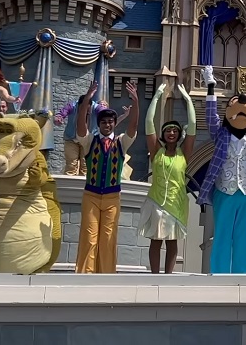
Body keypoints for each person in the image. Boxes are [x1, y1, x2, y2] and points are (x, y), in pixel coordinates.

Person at [197, 65, 246, 274]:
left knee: (244, 237)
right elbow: (210, 117)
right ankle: (220, 274)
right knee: (222, 235)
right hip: (225, 191)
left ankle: (243, 276)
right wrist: (210, 88)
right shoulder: (221, 134)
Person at [74, 79, 139, 273]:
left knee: (109, 239)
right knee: (89, 237)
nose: (108, 124)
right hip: (91, 196)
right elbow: (80, 126)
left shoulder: (121, 143)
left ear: (114, 123)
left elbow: (134, 126)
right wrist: (87, 100)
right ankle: (85, 277)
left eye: (110, 121)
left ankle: (106, 276)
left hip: (112, 198)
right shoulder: (89, 141)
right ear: (99, 123)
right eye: (104, 121)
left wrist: (136, 102)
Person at [138, 84, 194, 274]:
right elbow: (148, 123)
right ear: (163, 134)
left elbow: (193, 126)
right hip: (156, 201)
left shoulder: (184, 153)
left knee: (172, 241)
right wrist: (157, 96)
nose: (171, 133)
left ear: (179, 135)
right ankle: (154, 276)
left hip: (176, 202)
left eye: (175, 131)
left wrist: (188, 100)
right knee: (155, 240)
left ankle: (167, 278)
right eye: (168, 130)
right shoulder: (156, 152)